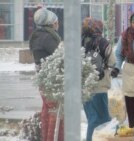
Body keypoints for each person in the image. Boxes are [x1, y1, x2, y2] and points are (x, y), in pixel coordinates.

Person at [29, 8, 63, 141]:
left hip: (44, 79)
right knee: (55, 113)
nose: (57, 24)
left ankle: (46, 137)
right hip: (51, 80)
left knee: (48, 110)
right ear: (50, 23)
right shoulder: (48, 37)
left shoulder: (37, 35)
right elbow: (60, 56)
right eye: (56, 22)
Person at [81, 17, 115, 141]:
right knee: (103, 119)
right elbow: (112, 62)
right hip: (100, 87)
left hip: (84, 87)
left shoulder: (79, 42)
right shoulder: (103, 43)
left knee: (92, 118)